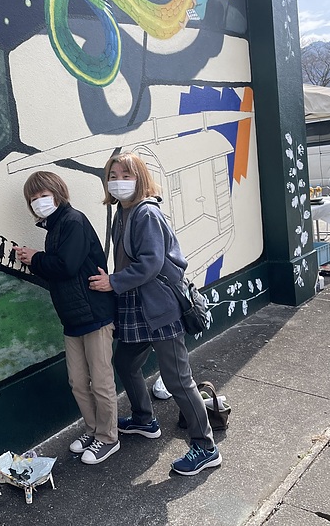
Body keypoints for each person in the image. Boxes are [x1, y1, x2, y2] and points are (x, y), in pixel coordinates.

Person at [88, 152, 221, 476]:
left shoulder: (145, 212)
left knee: (178, 379)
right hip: (137, 306)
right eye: (113, 174)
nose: (118, 180)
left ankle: (205, 448)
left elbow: (150, 263)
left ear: (141, 178)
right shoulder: (124, 211)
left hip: (159, 307)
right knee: (125, 363)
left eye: (125, 174)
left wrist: (112, 282)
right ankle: (144, 419)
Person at [16, 171, 119, 464]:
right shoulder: (56, 227)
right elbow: (58, 270)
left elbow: (67, 266)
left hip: (95, 314)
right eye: (33, 199)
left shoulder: (73, 221)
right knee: (77, 381)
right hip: (73, 318)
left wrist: (34, 258)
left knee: (100, 381)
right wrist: (35, 260)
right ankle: (93, 429)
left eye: (42, 195)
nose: (38, 202)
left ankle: (108, 438)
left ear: (58, 193)